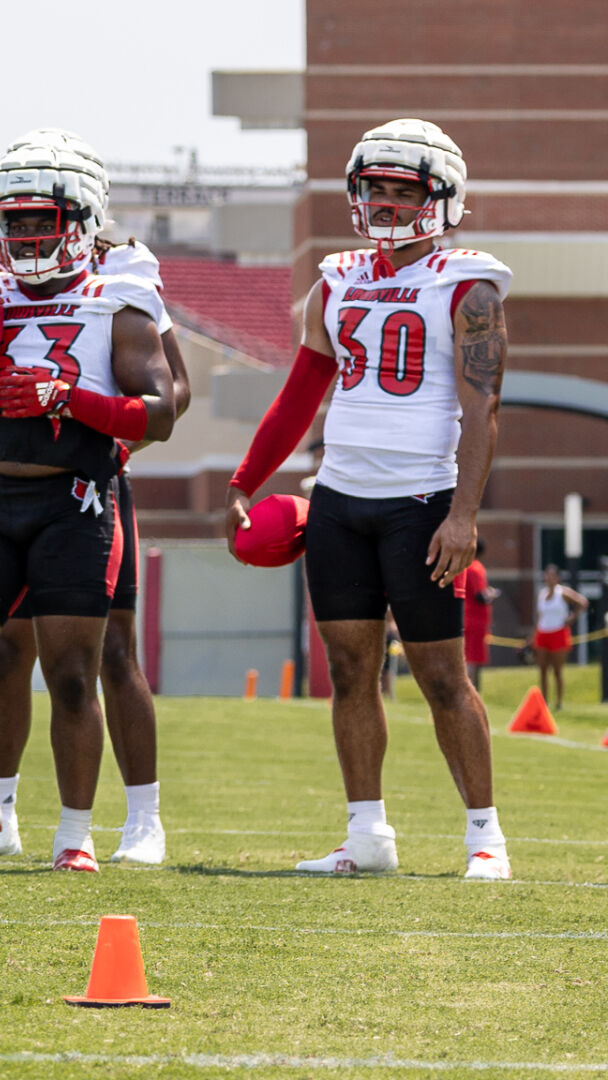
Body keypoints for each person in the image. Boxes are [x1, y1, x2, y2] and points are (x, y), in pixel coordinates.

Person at [225, 118, 513, 880]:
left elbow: (483, 407)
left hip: (421, 501)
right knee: (351, 670)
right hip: (339, 502)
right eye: (374, 189)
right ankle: (366, 835)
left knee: (441, 676)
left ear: (441, 198)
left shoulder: (470, 284)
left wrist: (464, 515)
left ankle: (484, 835)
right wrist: (246, 478)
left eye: (402, 190)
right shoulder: (339, 277)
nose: (386, 204)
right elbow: (301, 391)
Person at [0, 132, 177, 874]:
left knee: (77, 670)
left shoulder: (117, 294)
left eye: (40, 220)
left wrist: (72, 399)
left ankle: (79, 830)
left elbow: (161, 411)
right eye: (13, 221)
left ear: (82, 219)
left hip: (80, 498)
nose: (25, 236)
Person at [532, 564, 588, 709]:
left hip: (559, 633)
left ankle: (559, 702)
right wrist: (534, 634)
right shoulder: (542, 594)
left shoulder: (563, 592)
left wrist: (572, 618)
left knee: (557, 670)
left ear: (557, 578)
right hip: (543, 633)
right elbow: (540, 616)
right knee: (543, 670)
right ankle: (544, 702)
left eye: (552, 575)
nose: (548, 578)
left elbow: (583, 603)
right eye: (547, 575)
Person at [456, 540, 499, 690]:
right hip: (476, 619)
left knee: (468, 657)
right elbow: (480, 597)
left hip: (467, 617)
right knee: (473, 659)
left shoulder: (465, 567)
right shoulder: (476, 568)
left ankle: (470, 692)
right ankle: (471, 692)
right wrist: (492, 595)